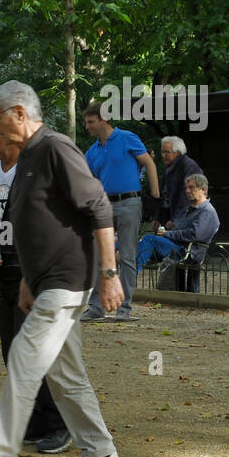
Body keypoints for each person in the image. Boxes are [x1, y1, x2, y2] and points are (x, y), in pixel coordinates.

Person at [0, 80, 123, 457]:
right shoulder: (28, 157)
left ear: (19, 113)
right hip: (45, 281)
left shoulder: (56, 148)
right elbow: (37, 225)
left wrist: (111, 275)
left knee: (24, 360)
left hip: (66, 281)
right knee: (66, 374)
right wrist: (28, 277)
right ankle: (101, 453)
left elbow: (99, 207)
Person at [0, 114, 70, 454]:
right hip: (3, 274)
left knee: (36, 354)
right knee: (12, 352)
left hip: (34, 277)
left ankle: (61, 424)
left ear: (12, 135)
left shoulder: (35, 168)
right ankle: (37, 420)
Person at [81, 103, 160, 322]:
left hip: (129, 203)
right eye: (86, 122)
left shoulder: (127, 138)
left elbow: (149, 163)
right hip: (103, 206)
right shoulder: (92, 151)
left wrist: (155, 195)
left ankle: (124, 308)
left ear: (103, 120)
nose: (87, 126)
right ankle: (96, 308)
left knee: (126, 256)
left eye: (91, 122)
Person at [135, 174, 220, 286]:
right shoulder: (189, 209)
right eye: (186, 188)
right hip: (177, 247)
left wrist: (167, 234)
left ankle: (130, 277)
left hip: (188, 252)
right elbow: (178, 227)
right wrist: (170, 227)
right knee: (135, 244)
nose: (187, 191)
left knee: (148, 240)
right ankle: (127, 271)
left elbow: (194, 235)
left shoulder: (207, 211)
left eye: (191, 187)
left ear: (203, 190)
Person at [157, 136, 202, 226]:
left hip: (184, 219)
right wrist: (157, 218)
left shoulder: (189, 166)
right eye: (162, 152)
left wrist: (175, 219)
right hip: (171, 217)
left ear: (178, 152)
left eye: (167, 152)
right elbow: (163, 195)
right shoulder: (168, 168)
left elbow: (187, 196)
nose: (163, 155)